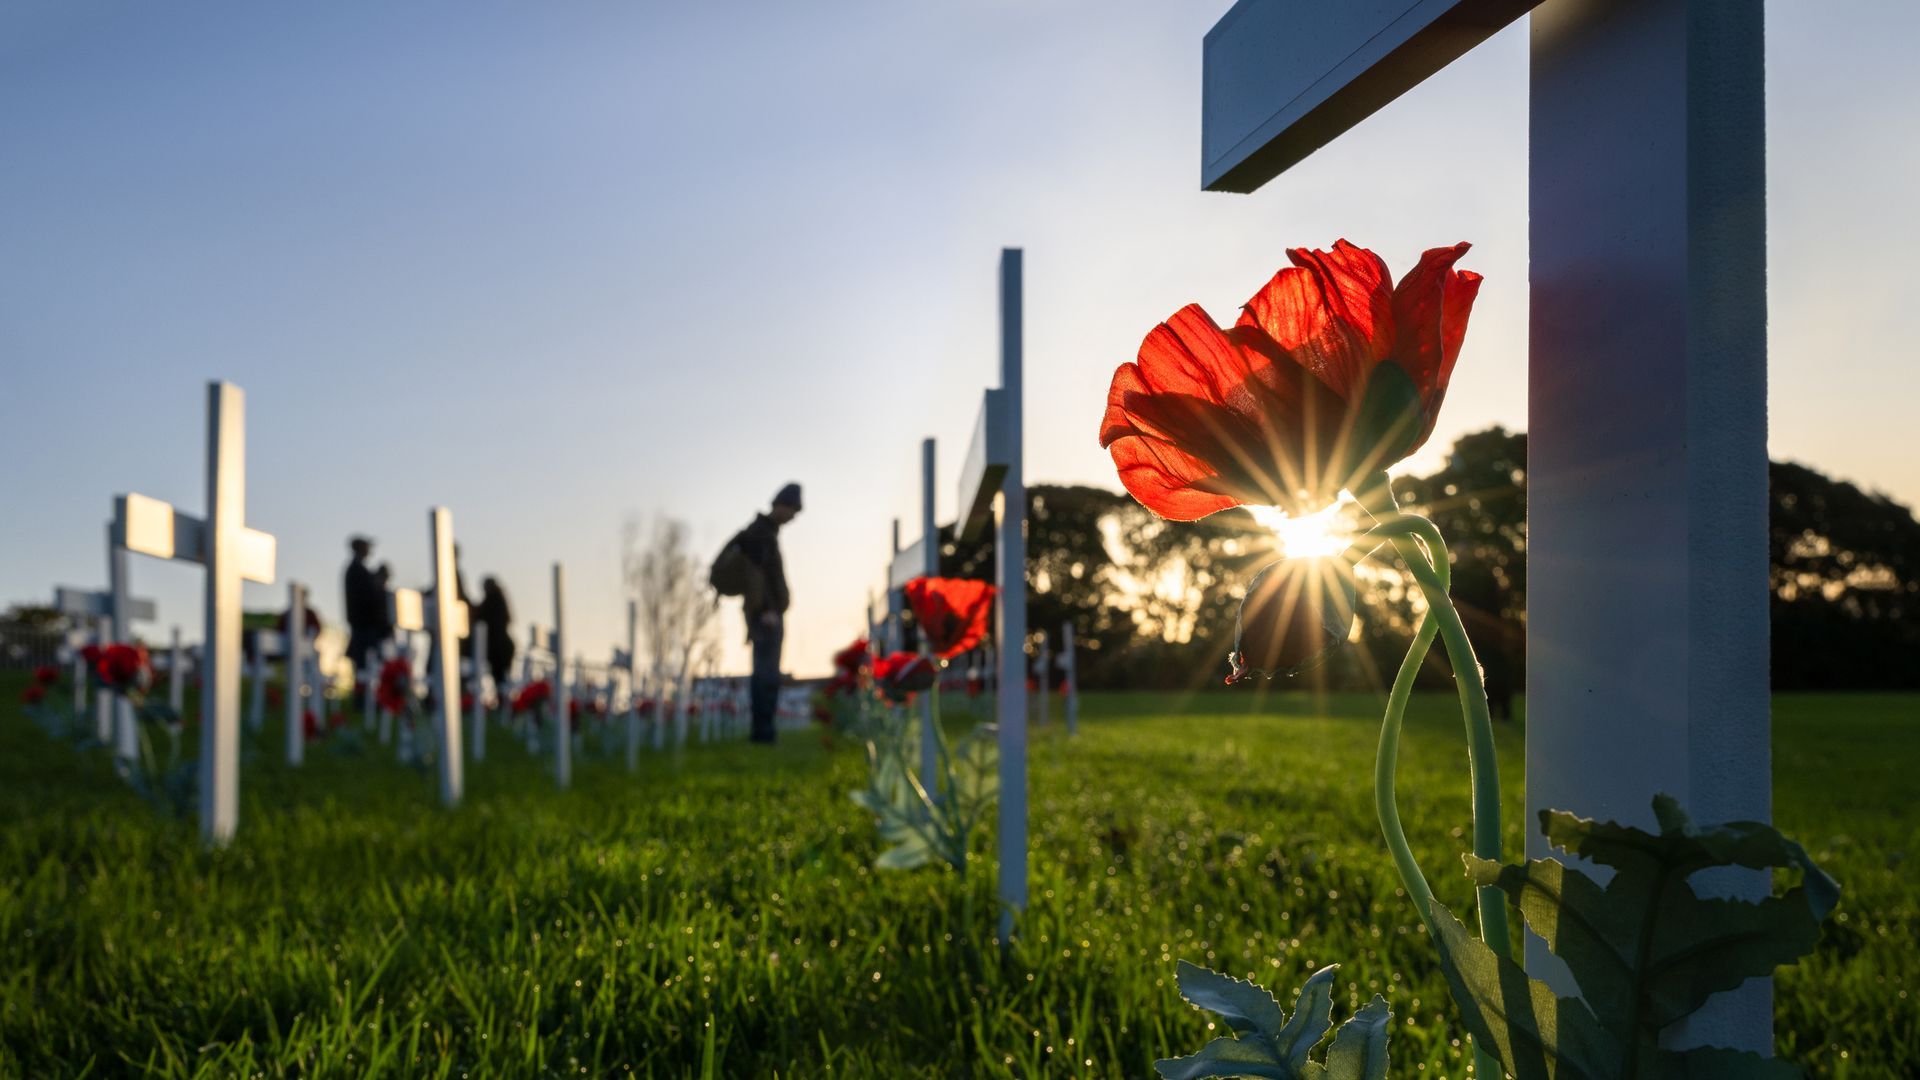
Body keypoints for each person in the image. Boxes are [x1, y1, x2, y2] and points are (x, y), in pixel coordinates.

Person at [727, 483, 801, 743]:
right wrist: (767, 610)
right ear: (781, 505)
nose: (793, 516)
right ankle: (763, 732)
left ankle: (764, 730)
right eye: (793, 509)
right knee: (766, 675)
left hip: (766, 613)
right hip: (765, 616)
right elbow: (758, 578)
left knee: (766, 671)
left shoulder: (766, 531)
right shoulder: (761, 533)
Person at [343, 536, 387, 672]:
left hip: (367, 627)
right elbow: (367, 596)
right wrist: (377, 580)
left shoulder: (359, 570)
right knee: (365, 669)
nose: (369, 550)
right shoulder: (356, 570)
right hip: (364, 627)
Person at [474, 576, 516, 690]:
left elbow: (481, 618)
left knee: (500, 680)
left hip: (499, 649)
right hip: (503, 647)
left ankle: (503, 703)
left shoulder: (492, 601)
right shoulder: (498, 600)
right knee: (502, 680)